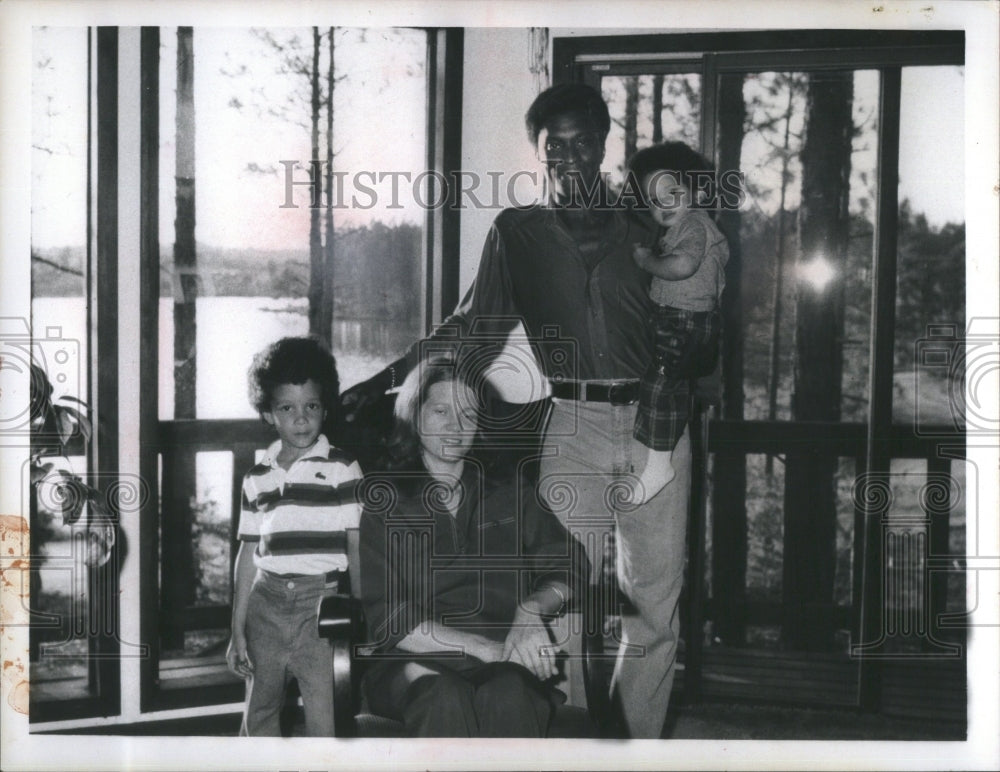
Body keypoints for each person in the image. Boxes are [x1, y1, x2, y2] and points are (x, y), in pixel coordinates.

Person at [342, 82, 692, 738]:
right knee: (558, 599)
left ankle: (632, 745)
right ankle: (558, 735)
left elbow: (703, 335)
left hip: (655, 426)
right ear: (538, 154)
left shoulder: (654, 226)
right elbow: (471, 330)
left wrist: (692, 346)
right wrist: (386, 380)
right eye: (551, 146)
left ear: (604, 143)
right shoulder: (516, 233)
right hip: (573, 424)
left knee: (653, 609)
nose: (567, 157)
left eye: (580, 141)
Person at [358, 356, 589, 737]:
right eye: (440, 410)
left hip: (504, 661)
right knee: (441, 693)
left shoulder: (510, 491)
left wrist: (532, 609)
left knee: (510, 692)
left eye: (468, 413)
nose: (456, 426)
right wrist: (482, 647)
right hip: (413, 662)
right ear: (414, 417)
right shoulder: (387, 502)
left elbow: (571, 564)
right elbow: (390, 619)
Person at [227, 336, 362, 737]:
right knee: (259, 711)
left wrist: (360, 609)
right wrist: (237, 628)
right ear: (269, 413)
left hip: (320, 605)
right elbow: (248, 553)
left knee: (326, 715)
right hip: (265, 605)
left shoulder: (343, 468)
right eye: (287, 408)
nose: (301, 419)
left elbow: (356, 545)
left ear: (325, 408)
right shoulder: (257, 477)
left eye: (311, 407)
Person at [627, 142, 729, 504]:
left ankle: (658, 464)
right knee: (667, 387)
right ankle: (657, 455)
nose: (663, 205)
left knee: (658, 385)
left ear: (697, 191)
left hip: (685, 320)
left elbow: (682, 267)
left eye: (672, 193)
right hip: (676, 318)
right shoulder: (686, 224)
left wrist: (646, 262)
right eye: (654, 201)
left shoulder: (695, 225)